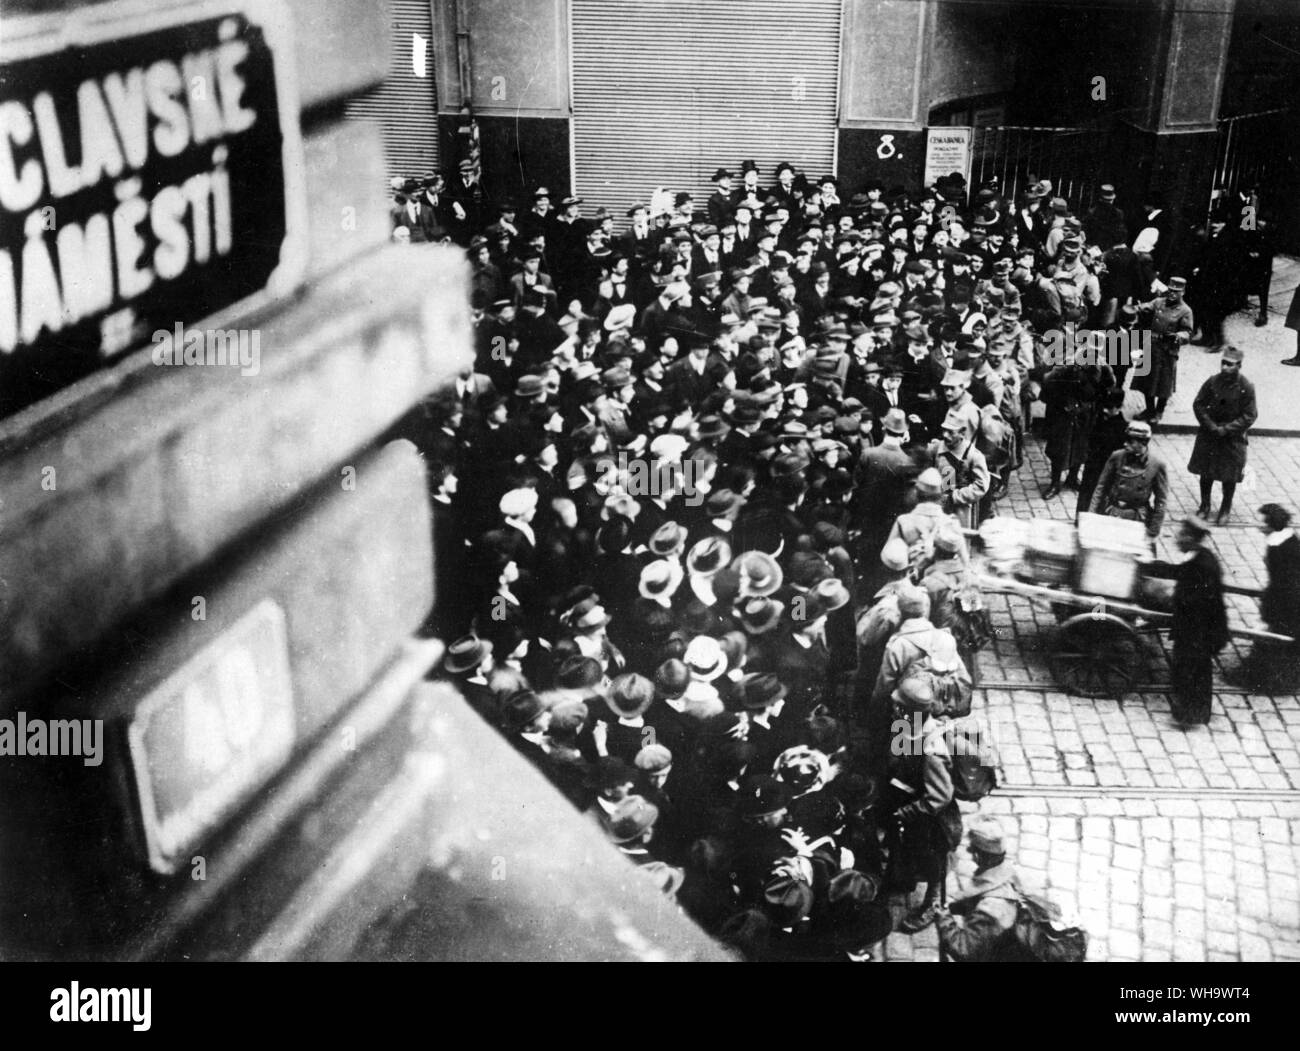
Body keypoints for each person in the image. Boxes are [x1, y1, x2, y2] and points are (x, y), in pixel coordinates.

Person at [1142, 516, 1229, 727]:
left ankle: (1191, 715)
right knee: (1190, 670)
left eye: (1181, 536)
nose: (1177, 540)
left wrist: (1169, 599)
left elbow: (1197, 603)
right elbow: (1176, 572)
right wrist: (1151, 566)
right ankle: (1192, 711)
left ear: (1191, 538)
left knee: (1194, 671)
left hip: (1199, 630)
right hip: (1194, 626)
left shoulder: (1203, 565)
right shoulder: (1197, 557)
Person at [1231, 504, 1300, 691]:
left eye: (1260, 521)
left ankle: (1265, 679)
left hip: (1288, 604)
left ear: (1271, 524)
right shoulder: (1288, 539)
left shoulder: (1278, 548)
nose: (1256, 523)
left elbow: (1282, 583)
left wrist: (1267, 612)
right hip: (1288, 599)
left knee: (1275, 640)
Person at [934, 816, 1023, 961]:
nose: (969, 851)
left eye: (971, 849)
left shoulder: (989, 910)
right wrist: (956, 904)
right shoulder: (1008, 873)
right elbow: (981, 891)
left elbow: (964, 950)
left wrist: (944, 918)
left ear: (978, 855)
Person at [1188, 345, 1257, 523]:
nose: (1225, 367)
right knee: (1206, 472)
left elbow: (1250, 415)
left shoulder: (1246, 387)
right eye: (1224, 363)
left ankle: (1225, 508)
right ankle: (1205, 505)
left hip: (1232, 438)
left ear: (1239, 366)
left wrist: (1227, 429)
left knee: (1230, 476)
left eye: (1231, 364)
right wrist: (1210, 426)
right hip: (1209, 434)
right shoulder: (1212, 382)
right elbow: (1199, 404)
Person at [1089, 420, 1168, 543]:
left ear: (1143, 443)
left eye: (1130, 441)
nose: (1125, 444)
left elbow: (1161, 501)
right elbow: (1101, 487)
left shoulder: (1156, 464)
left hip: (1136, 519)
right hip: (1112, 514)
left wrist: (1153, 531)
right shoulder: (1117, 456)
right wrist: (1092, 515)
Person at [1133, 276, 1193, 423]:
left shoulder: (1185, 311)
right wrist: (1134, 308)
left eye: (1176, 292)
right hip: (1151, 346)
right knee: (1147, 380)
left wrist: (1177, 336)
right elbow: (1146, 307)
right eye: (1171, 290)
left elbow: (1188, 332)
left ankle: (1159, 411)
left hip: (1167, 350)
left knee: (1164, 383)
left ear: (1182, 293)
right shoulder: (1159, 302)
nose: (1172, 294)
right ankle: (1149, 409)